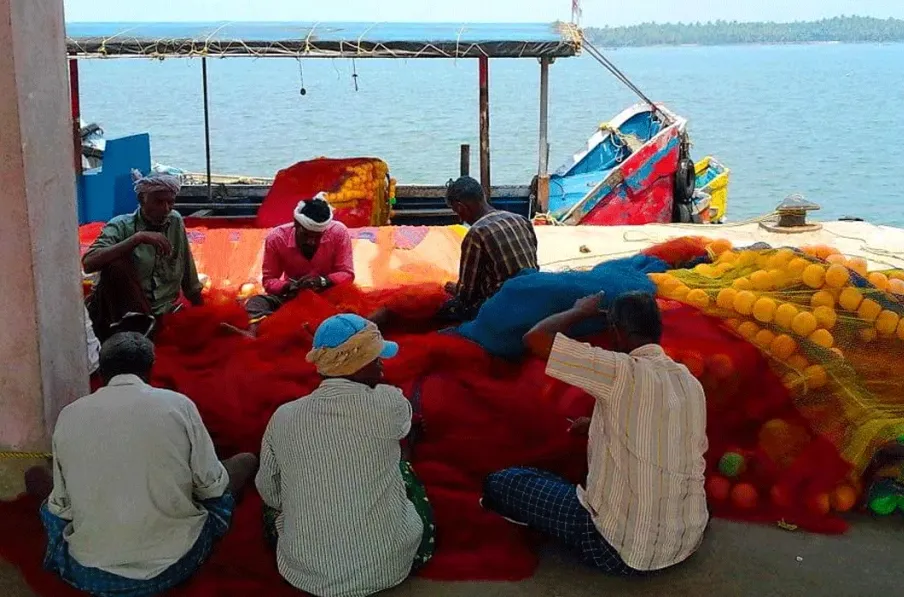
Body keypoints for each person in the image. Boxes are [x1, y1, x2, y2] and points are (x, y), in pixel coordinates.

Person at [482, 291, 708, 576]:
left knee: (504, 483)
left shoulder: (619, 372)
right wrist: (594, 424)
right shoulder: (689, 382)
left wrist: (579, 311)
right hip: (687, 539)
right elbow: (659, 428)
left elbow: (536, 337)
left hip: (619, 550)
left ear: (617, 331)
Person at [39, 332, 258, 596]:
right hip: (175, 563)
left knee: (39, 483)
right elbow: (212, 487)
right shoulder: (178, 405)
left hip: (90, 571)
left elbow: (61, 508)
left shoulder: (69, 415)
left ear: (102, 368)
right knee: (245, 462)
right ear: (150, 369)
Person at [256, 314, 434, 597]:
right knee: (404, 472)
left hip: (305, 573)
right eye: (376, 358)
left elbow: (269, 490)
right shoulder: (389, 403)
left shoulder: (283, 416)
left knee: (273, 508)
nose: (382, 364)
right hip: (388, 566)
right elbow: (404, 427)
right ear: (358, 364)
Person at [82, 170, 203, 342]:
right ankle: (139, 330)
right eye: (159, 202)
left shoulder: (174, 220)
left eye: (171, 202)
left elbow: (187, 268)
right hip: (121, 313)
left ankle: (151, 328)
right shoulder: (121, 225)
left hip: (162, 312)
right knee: (117, 265)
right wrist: (137, 239)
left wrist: (201, 312)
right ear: (141, 199)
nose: (166, 209)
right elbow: (88, 263)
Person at [244, 194, 355, 327]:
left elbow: (347, 273)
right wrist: (289, 287)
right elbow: (269, 281)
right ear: (296, 224)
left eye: (317, 237)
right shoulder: (276, 238)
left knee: (352, 307)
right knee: (256, 303)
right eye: (306, 235)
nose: (311, 241)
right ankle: (257, 330)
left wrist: (321, 281)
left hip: (329, 295)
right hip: (291, 297)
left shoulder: (339, 232)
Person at [441, 176, 538, 321]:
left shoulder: (476, 233)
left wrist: (455, 289)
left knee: (447, 310)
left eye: (457, 211)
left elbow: (467, 295)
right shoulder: (520, 219)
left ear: (461, 207)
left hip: (503, 306)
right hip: (532, 294)